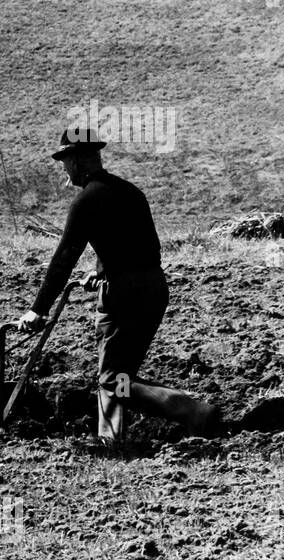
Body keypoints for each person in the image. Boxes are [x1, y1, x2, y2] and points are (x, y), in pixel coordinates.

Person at [16, 128, 221, 442]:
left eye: (66, 159)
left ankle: (192, 410)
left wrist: (37, 309)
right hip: (152, 288)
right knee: (115, 371)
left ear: (82, 160)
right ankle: (111, 440)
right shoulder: (129, 191)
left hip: (126, 298)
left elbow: (63, 259)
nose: (63, 167)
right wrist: (104, 271)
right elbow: (141, 246)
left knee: (114, 379)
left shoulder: (87, 199)